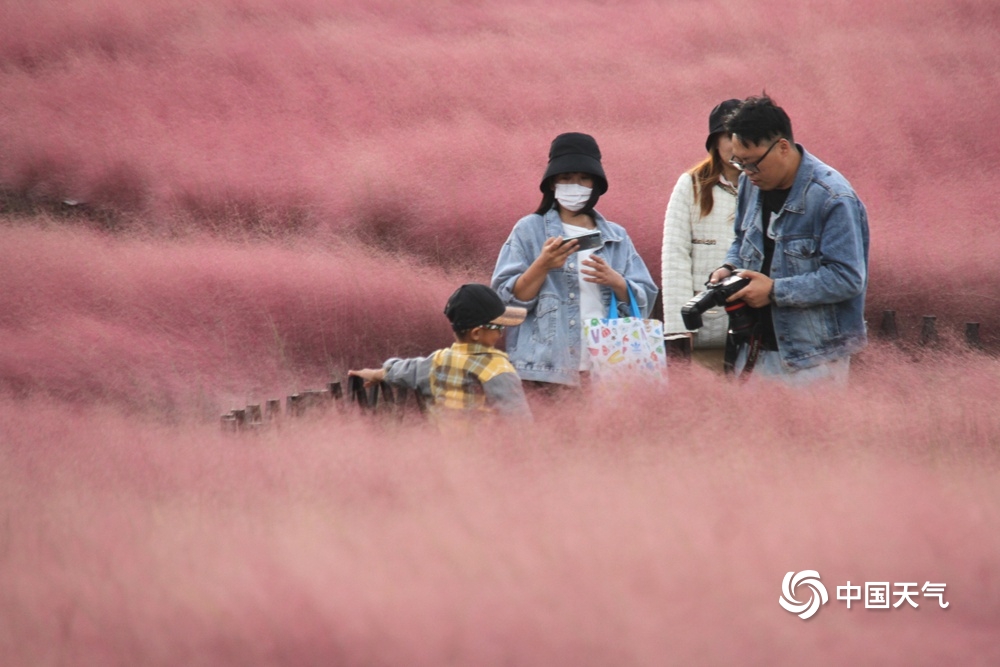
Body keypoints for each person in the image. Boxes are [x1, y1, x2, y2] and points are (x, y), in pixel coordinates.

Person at [708, 95, 869, 386]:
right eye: (739, 162)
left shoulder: (832, 197)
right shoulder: (749, 183)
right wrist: (730, 268)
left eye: (753, 163)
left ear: (782, 147)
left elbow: (847, 278)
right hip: (753, 349)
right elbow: (741, 240)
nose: (747, 173)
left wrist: (774, 291)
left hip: (813, 360)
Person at [491, 132, 658, 390]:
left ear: (596, 184)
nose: (575, 186)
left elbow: (644, 300)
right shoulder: (529, 230)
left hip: (606, 369)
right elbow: (506, 307)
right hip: (544, 372)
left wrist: (617, 282)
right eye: (566, 178)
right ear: (551, 183)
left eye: (584, 178)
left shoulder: (616, 236)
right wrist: (542, 265)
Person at [348, 283, 533, 422]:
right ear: (477, 333)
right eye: (498, 327)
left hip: (449, 458)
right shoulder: (498, 369)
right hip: (488, 460)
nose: (501, 332)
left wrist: (376, 373)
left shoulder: (437, 361)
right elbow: (519, 423)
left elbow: (404, 370)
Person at [661, 99, 742, 370]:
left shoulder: (764, 185)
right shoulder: (691, 185)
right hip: (706, 326)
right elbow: (675, 257)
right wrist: (679, 330)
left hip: (754, 327)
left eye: (742, 134)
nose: (736, 143)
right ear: (714, 142)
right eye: (729, 136)